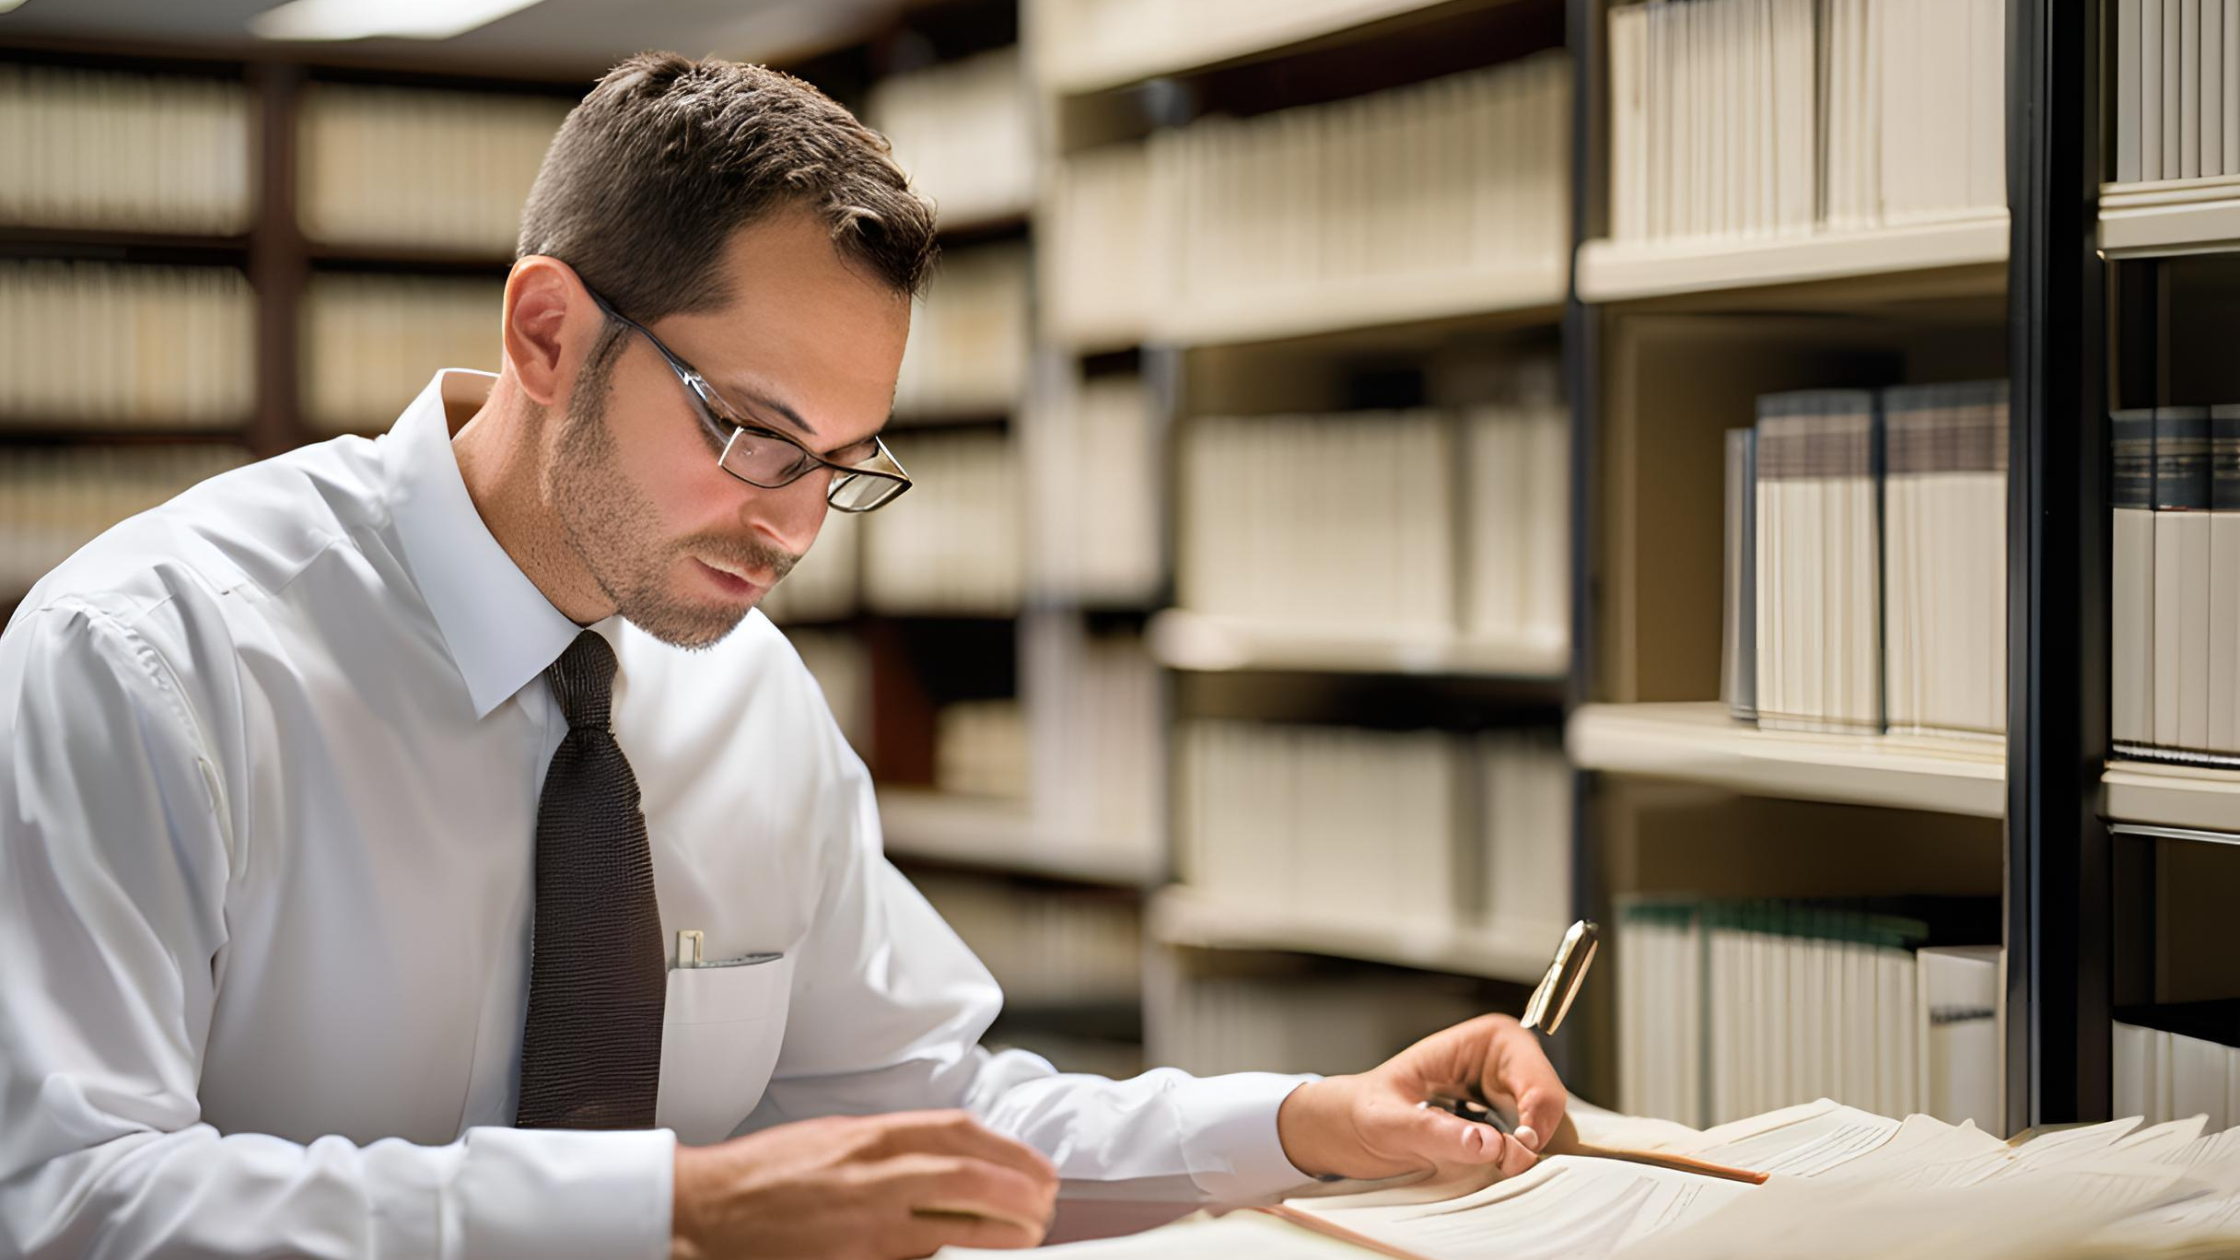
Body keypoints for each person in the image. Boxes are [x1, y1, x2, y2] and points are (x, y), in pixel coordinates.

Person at [0, 52, 1568, 1260]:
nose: (799, 528)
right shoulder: (147, 662)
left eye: (847, 461)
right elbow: (68, 1196)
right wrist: (667, 1209)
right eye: (753, 432)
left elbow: (923, 1115)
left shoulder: (740, 690)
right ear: (547, 335)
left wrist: (1310, 1124)